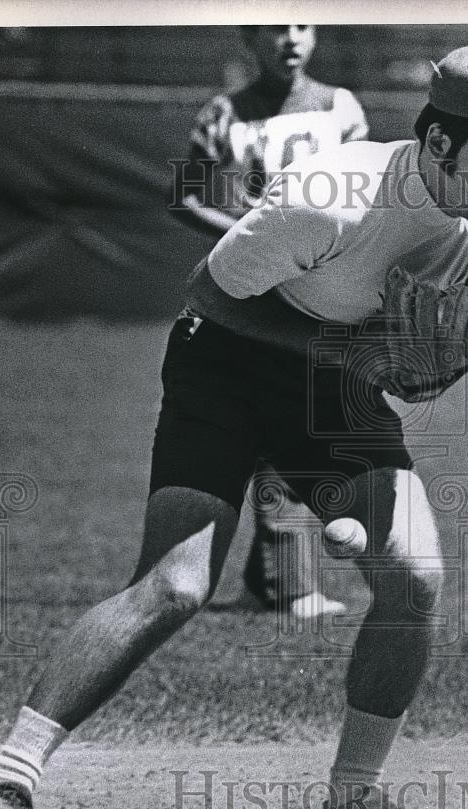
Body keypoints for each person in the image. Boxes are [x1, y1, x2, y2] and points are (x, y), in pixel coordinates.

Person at [0, 41, 468, 809]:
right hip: (227, 360)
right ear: (439, 140)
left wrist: (421, 379)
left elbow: (415, 372)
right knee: (175, 584)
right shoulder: (332, 193)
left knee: (415, 577)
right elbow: (207, 293)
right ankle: (5, 783)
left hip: (332, 391)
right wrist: (354, 357)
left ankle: (353, 806)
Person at [173, 24, 368, 620]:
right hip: (254, 291)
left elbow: (366, 191)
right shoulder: (222, 114)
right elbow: (184, 196)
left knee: (306, 424)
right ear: (249, 38)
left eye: (302, 26)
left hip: (322, 286)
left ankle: (268, 580)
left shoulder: (340, 107)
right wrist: (247, 234)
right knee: (285, 427)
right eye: (276, 28)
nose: (291, 39)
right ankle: (292, 586)